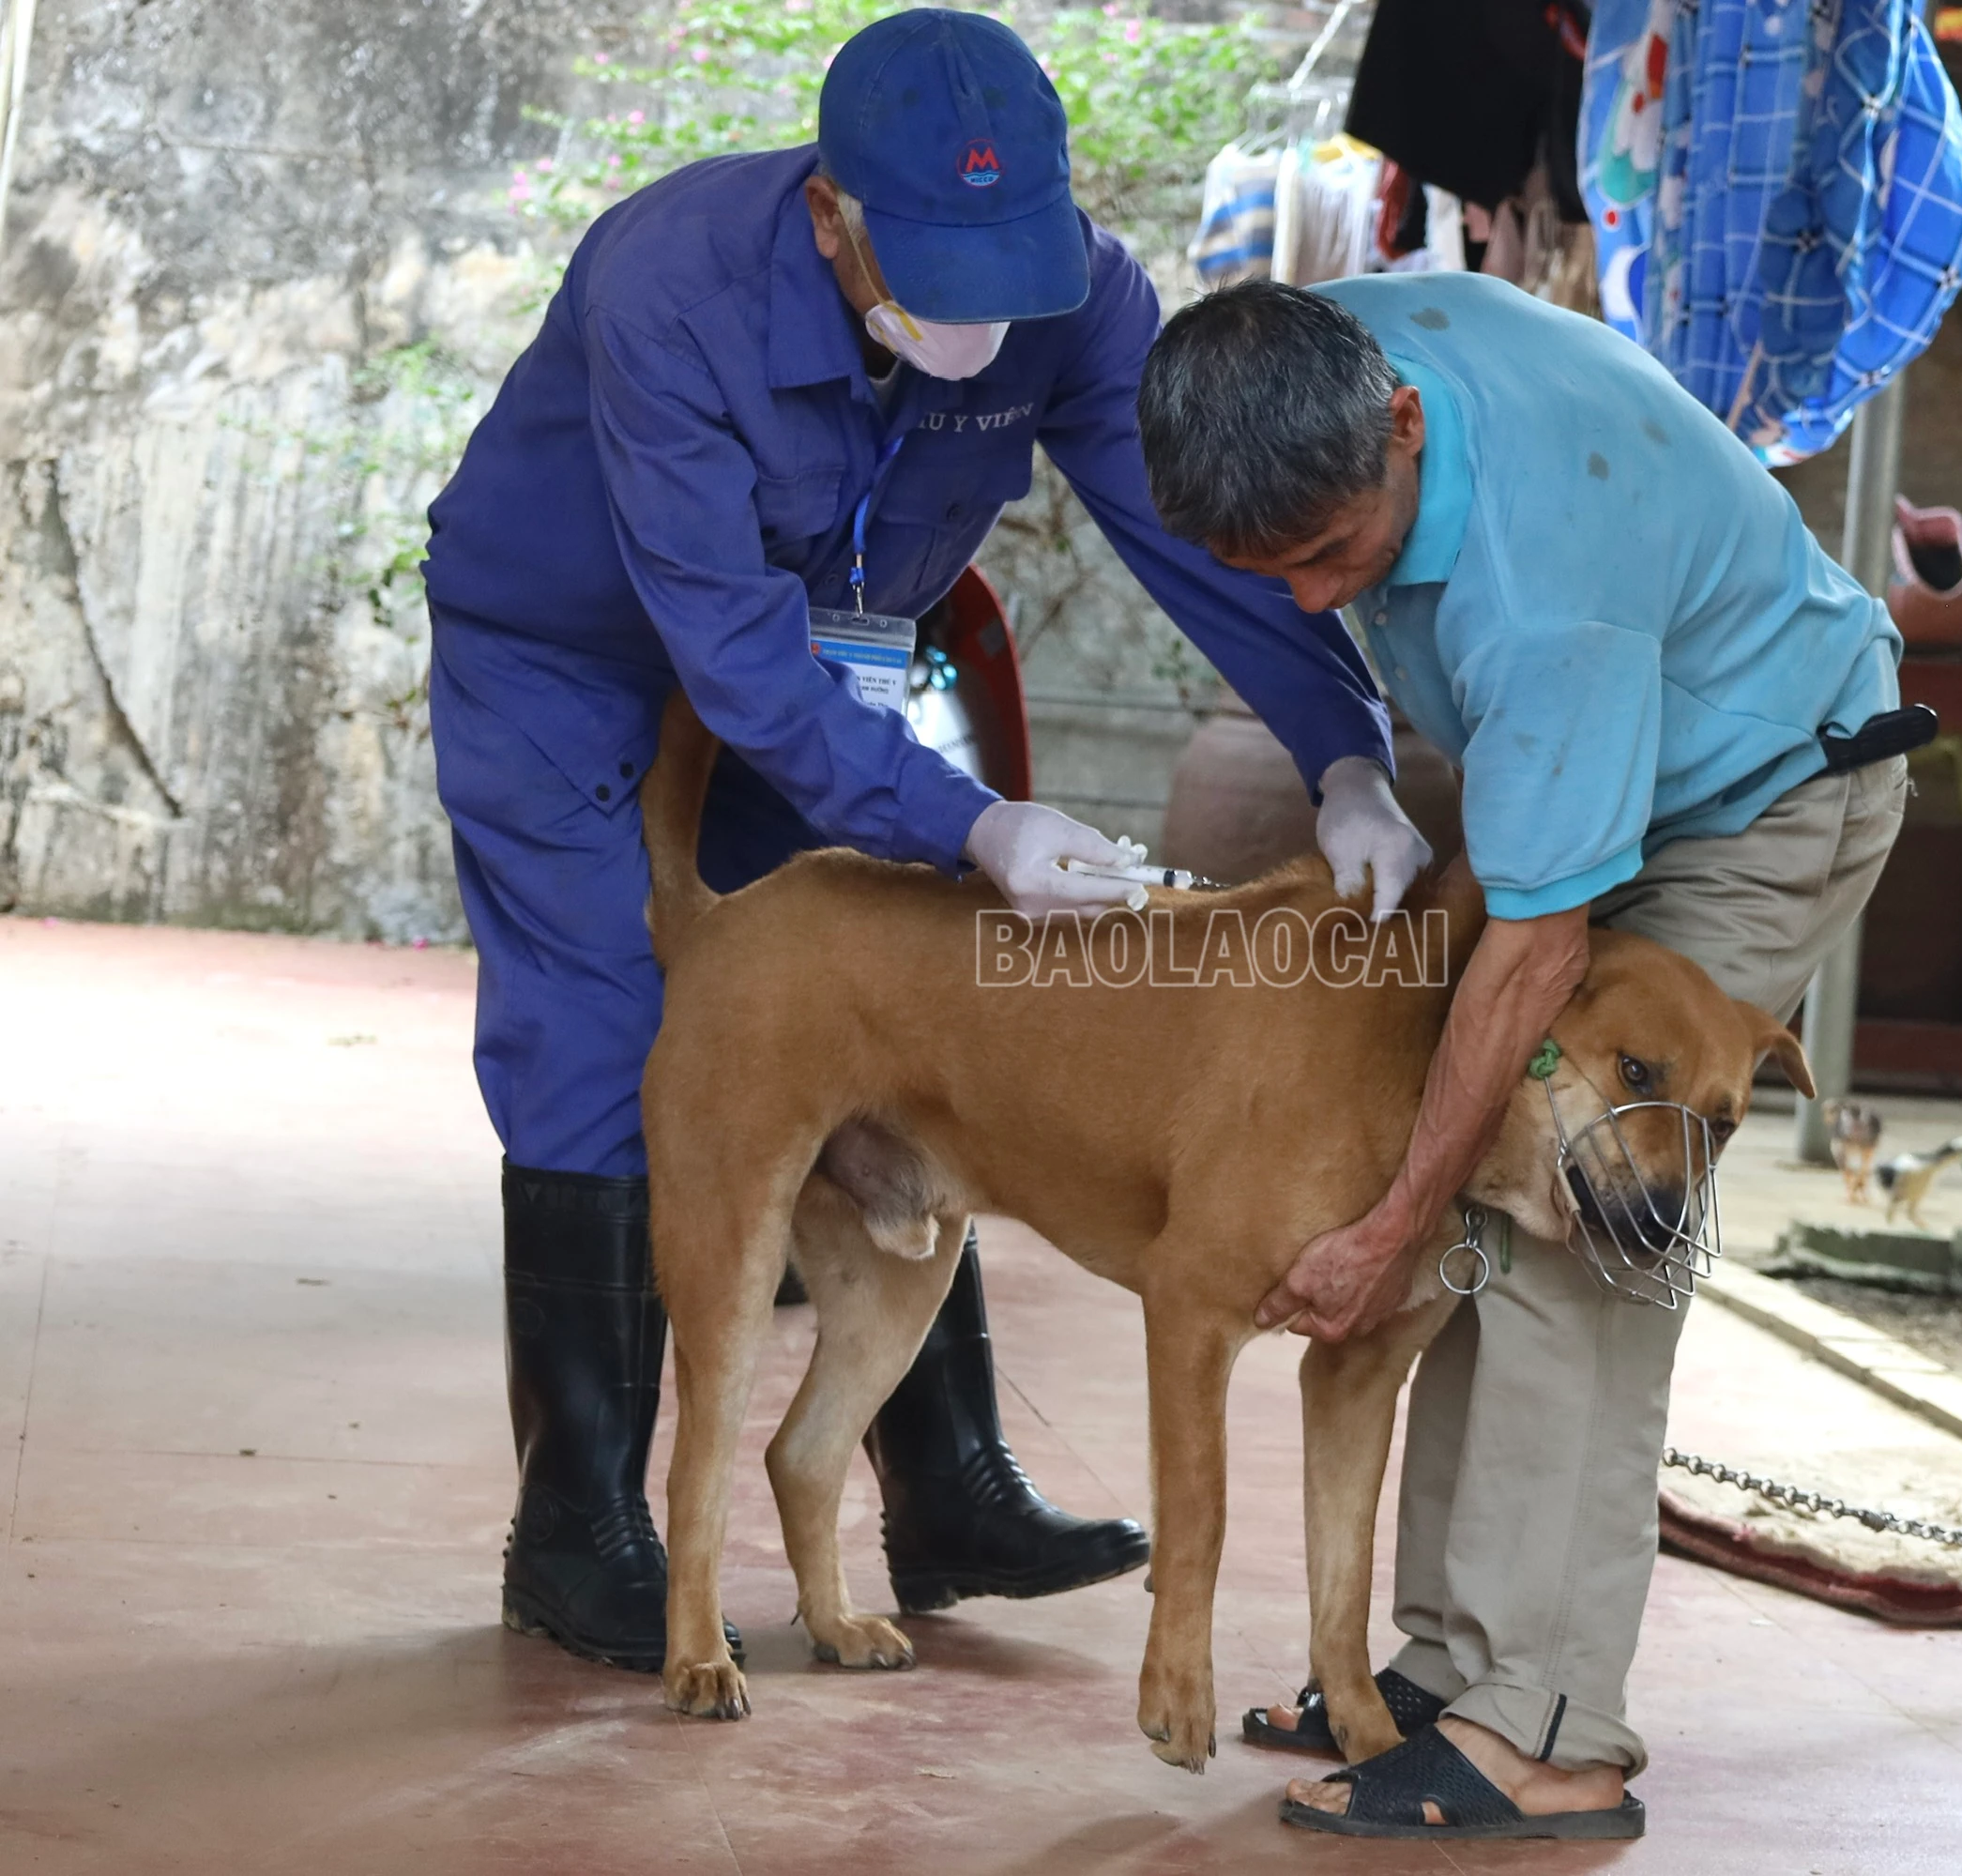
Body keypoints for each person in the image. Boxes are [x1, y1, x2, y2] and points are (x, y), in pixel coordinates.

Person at [419, 10, 1433, 1675]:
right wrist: (972, 820)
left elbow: (1206, 546)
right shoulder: (664, 285)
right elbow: (727, 657)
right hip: (577, 658)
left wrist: (1347, 760)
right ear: (833, 215)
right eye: (937, 267)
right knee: (612, 1014)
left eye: (1008, 263)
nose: (982, 311)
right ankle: (582, 1524)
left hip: (823, 659)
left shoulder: (1081, 298)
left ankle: (947, 1482)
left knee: (917, 991)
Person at [1135, 276, 1913, 1840]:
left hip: (1755, 792)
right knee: (1486, 1200)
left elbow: (1534, 947)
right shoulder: (1319, 353)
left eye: (1329, 560)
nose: (1303, 601)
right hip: (1598, 763)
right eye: (1260, 570)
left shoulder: (1544, 585)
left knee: (1582, 1223)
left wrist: (1384, 1222)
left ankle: (1548, 1729)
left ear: (1403, 425)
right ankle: (1448, 1671)